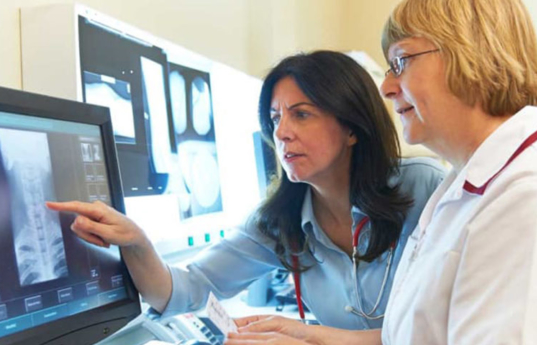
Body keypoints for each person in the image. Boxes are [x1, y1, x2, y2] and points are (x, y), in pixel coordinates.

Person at [223, 0, 537, 345]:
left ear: (469, 52)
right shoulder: (460, 190)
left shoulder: (534, 196)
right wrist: (306, 338)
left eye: (401, 62)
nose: (386, 87)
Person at [47, 50, 445, 330]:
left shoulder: (424, 188)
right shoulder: (279, 220)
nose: (282, 132)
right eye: (274, 118)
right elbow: (186, 292)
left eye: (301, 114)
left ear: (352, 127)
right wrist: (137, 242)